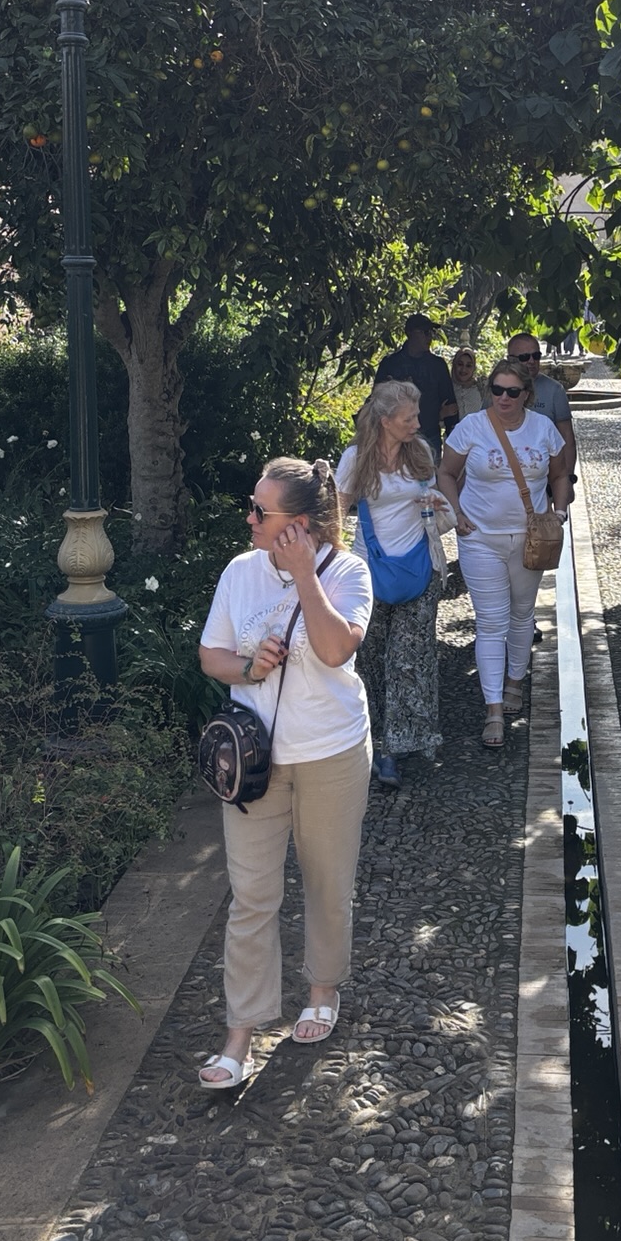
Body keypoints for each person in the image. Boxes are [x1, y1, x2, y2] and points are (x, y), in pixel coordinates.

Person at [197, 456, 373, 1085]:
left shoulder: (348, 572)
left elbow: (334, 649)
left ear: (300, 524)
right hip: (254, 761)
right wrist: (250, 669)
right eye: (252, 505)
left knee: (326, 882)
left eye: (260, 511)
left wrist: (303, 574)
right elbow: (211, 655)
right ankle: (240, 1034)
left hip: (331, 752)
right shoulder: (240, 571)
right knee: (251, 896)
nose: (249, 518)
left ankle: (322, 990)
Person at [438, 359, 572, 749]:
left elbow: (559, 474)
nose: (504, 398)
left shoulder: (543, 428)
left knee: (522, 615)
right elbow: (445, 473)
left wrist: (559, 512)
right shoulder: (472, 427)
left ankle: (515, 680)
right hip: (480, 539)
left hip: (531, 539)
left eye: (513, 391)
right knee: (491, 622)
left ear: (527, 394)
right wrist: (456, 512)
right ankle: (493, 708)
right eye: (497, 390)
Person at [336, 382, 449, 789]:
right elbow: (336, 512)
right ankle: (370, 737)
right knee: (369, 659)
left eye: (417, 416)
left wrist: (435, 503)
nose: (417, 424)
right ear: (385, 421)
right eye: (409, 418)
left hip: (419, 569)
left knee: (409, 661)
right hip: (368, 572)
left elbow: (430, 500)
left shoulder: (419, 453)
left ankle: (394, 751)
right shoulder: (355, 459)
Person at [375, 315, 455, 461]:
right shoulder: (390, 364)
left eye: (431, 332)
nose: (429, 337)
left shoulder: (437, 365)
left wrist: (453, 438)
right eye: (425, 332)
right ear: (409, 333)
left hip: (430, 436)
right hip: (396, 437)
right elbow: (378, 401)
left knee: (429, 475)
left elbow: (450, 405)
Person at [506, 332, 577, 483]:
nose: (531, 361)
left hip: (546, 478)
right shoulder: (498, 389)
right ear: (510, 360)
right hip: (503, 475)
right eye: (524, 357)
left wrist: (568, 478)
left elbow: (566, 437)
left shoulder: (554, 390)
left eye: (536, 356)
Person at [447, 347, 487, 432]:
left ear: (474, 368)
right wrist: (442, 414)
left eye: (468, 366)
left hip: (478, 437)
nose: (463, 369)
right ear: (454, 365)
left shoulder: (481, 387)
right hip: (453, 437)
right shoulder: (447, 388)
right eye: (460, 364)